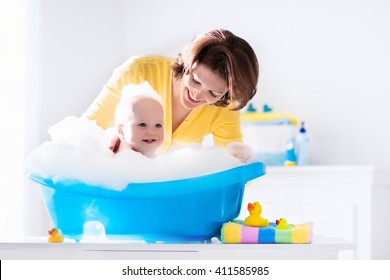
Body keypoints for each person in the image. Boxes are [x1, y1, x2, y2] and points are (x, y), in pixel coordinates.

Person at [84, 29, 259, 162]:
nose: (197, 95)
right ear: (187, 63)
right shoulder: (139, 72)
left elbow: (234, 164)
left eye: (213, 93)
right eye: (196, 80)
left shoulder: (223, 107)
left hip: (168, 187)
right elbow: (84, 130)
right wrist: (110, 136)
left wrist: (243, 159)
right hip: (120, 181)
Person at [113, 82, 164, 158]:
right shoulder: (124, 160)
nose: (152, 132)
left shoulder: (158, 160)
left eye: (158, 125)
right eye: (143, 125)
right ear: (121, 131)